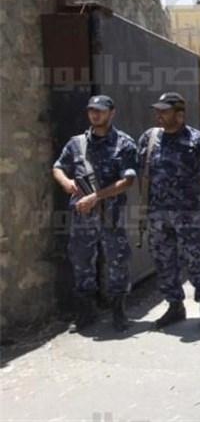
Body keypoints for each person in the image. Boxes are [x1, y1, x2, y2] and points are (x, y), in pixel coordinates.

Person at [52, 95, 138, 333]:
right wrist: (66, 182)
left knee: (117, 260)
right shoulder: (76, 143)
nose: (95, 114)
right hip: (83, 216)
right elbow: (58, 167)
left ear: (112, 113)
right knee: (81, 261)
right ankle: (86, 311)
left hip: (111, 215)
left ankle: (118, 310)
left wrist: (96, 196)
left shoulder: (124, 144)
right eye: (92, 110)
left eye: (100, 110)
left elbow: (128, 180)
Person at [139, 92, 200, 332]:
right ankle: (175, 306)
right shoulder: (149, 138)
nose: (159, 115)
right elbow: (143, 175)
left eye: (164, 111)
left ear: (180, 114)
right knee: (164, 261)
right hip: (158, 215)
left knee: (196, 260)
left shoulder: (196, 140)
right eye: (158, 111)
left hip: (189, 216)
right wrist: (143, 210)